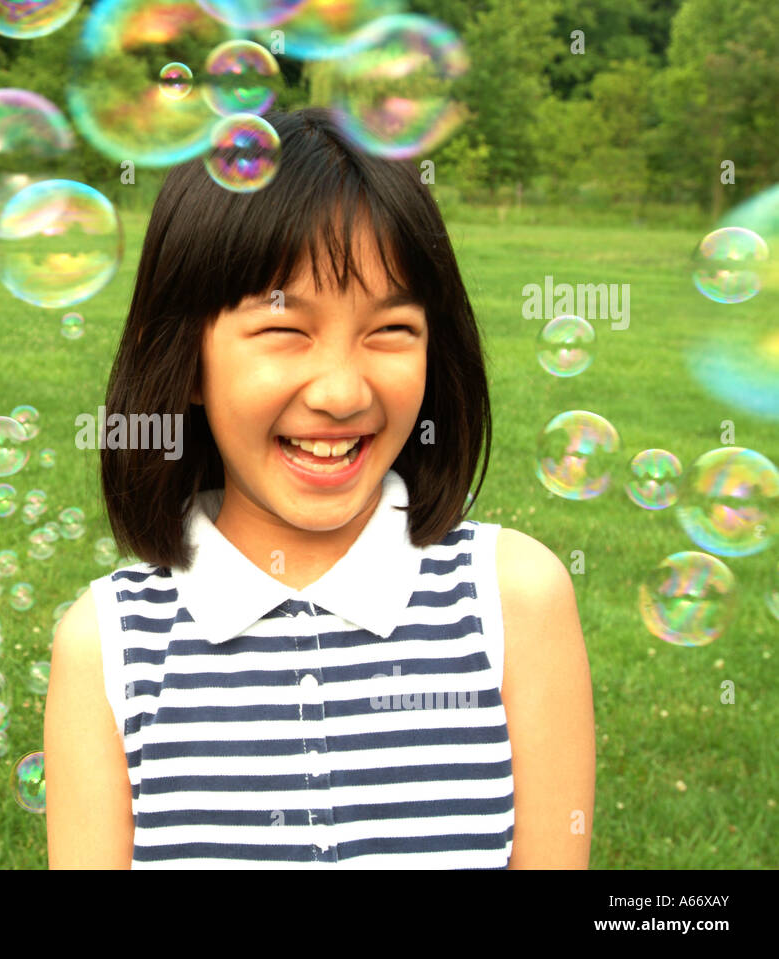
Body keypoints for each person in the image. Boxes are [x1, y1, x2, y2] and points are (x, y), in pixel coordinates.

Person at [44, 107, 594, 869]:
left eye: (391, 330)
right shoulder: (110, 644)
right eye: (284, 331)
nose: (341, 391)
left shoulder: (510, 600)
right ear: (184, 358)